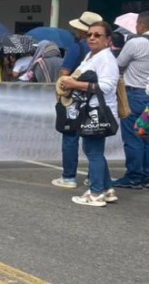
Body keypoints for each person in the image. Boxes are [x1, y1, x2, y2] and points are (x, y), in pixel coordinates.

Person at [58, 21, 119, 206]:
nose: (92, 37)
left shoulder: (106, 59)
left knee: (93, 151)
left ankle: (96, 193)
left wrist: (74, 84)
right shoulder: (92, 56)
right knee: (93, 150)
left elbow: (107, 87)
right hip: (90, 109)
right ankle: (107, 189)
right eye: (90, 34)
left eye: (97, 35)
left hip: (98, 111)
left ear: (108, 39)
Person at [52, 11, 103, 189]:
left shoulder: (78, 47)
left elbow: (64, 73)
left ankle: (69, 176)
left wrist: (61, 90)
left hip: (74, 98)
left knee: (70, 136)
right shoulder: (103, 51)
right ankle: (93, 177)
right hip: (95, 99)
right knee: (93, 141)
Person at [113, 11, 149, 189]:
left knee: (133, 137)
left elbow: (118, 64)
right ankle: (146, 175)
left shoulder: (136, 43)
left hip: (135, 94)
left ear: (141, 26)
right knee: (146, 137)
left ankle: (134, 175)